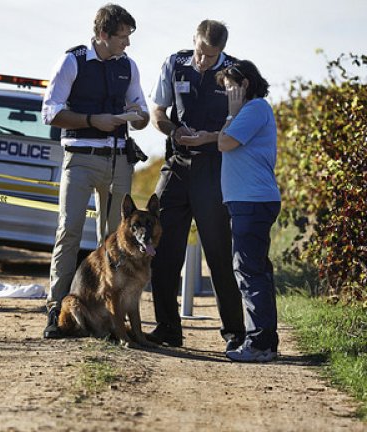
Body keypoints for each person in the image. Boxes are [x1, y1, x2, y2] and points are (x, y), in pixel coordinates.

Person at [41, 3, 149, 339]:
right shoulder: (71, 61)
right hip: (80, 158)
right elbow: (49, 112)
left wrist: (136, 115)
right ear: (103, 34)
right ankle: (56, 311)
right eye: (122, 37)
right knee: (69, 232)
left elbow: (144, 116)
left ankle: (109, 318)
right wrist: (92, 121)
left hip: (118, 160)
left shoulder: (128, 66)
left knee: (114, 240)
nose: (126, 44)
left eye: (129, 37)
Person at [147, 20, 245, 351]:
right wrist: (171, 130)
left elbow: (243, 126)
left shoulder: (235, 73)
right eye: (201, 53)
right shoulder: (175, 63)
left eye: (211, 56)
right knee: (161, 249)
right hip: (176, 165)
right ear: (194, 41)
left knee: (218, 254)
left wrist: (210, 138)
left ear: (222, 51)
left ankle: (235, 333)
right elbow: (158, 109)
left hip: (214, 171)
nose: (203, 61)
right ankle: (167, 328)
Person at [216, 60, 281, 362]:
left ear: (244, 84)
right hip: (250, 201)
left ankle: (258, 345)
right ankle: (265, 342)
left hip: (252, 202)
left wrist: (231, 113)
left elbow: (225, 142)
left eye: (230, 85)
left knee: (248, 271)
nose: (227, 91)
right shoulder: (253, 112)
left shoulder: (253, 109)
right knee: (256, 271)